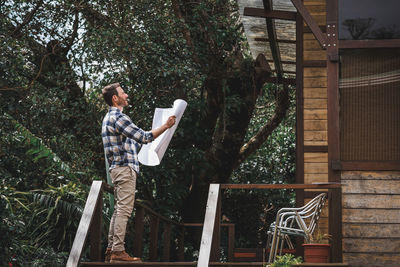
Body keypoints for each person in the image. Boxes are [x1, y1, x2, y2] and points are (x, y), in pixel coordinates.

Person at [101, 83, 175, 263]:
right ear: (115, 98)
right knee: (124, 210)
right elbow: (144, 137)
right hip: (125, 169)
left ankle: (111, 249)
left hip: (118, 169)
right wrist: (166, 126)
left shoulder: (108, 118)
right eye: (123, 93)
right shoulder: (119, 117)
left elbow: (136, 144)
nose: (126, 95)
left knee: (119, 209)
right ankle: (118, 251)